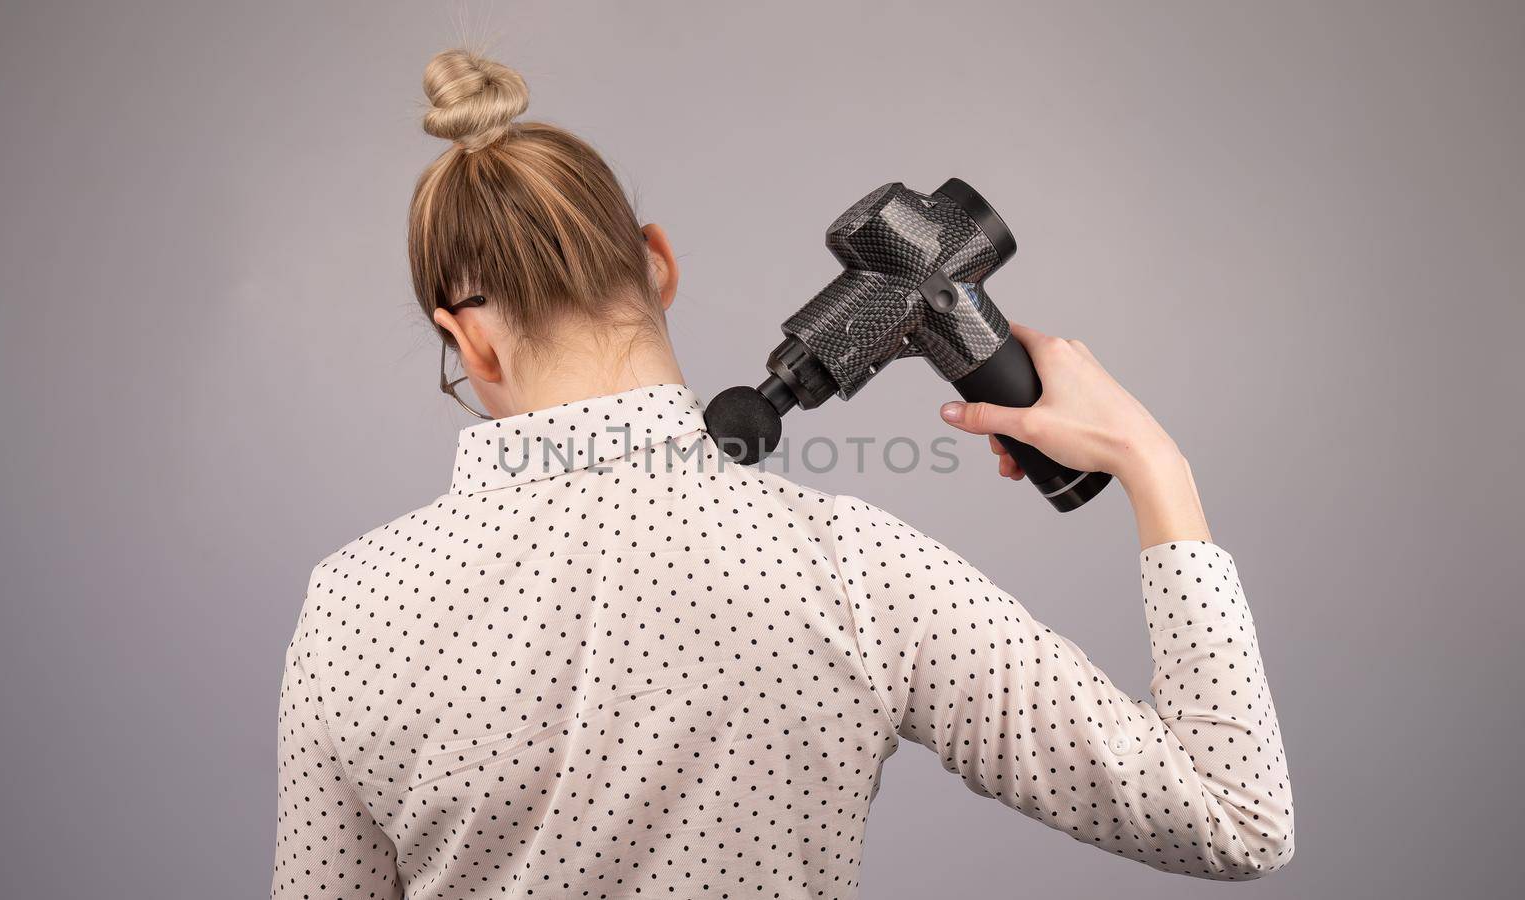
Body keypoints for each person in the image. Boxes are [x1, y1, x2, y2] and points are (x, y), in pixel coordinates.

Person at [271, 50, 1293, 899]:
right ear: (659, 262)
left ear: (467, 340)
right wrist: (1154, 465)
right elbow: (1232, 819)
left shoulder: (350, 609)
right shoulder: (853, 570)